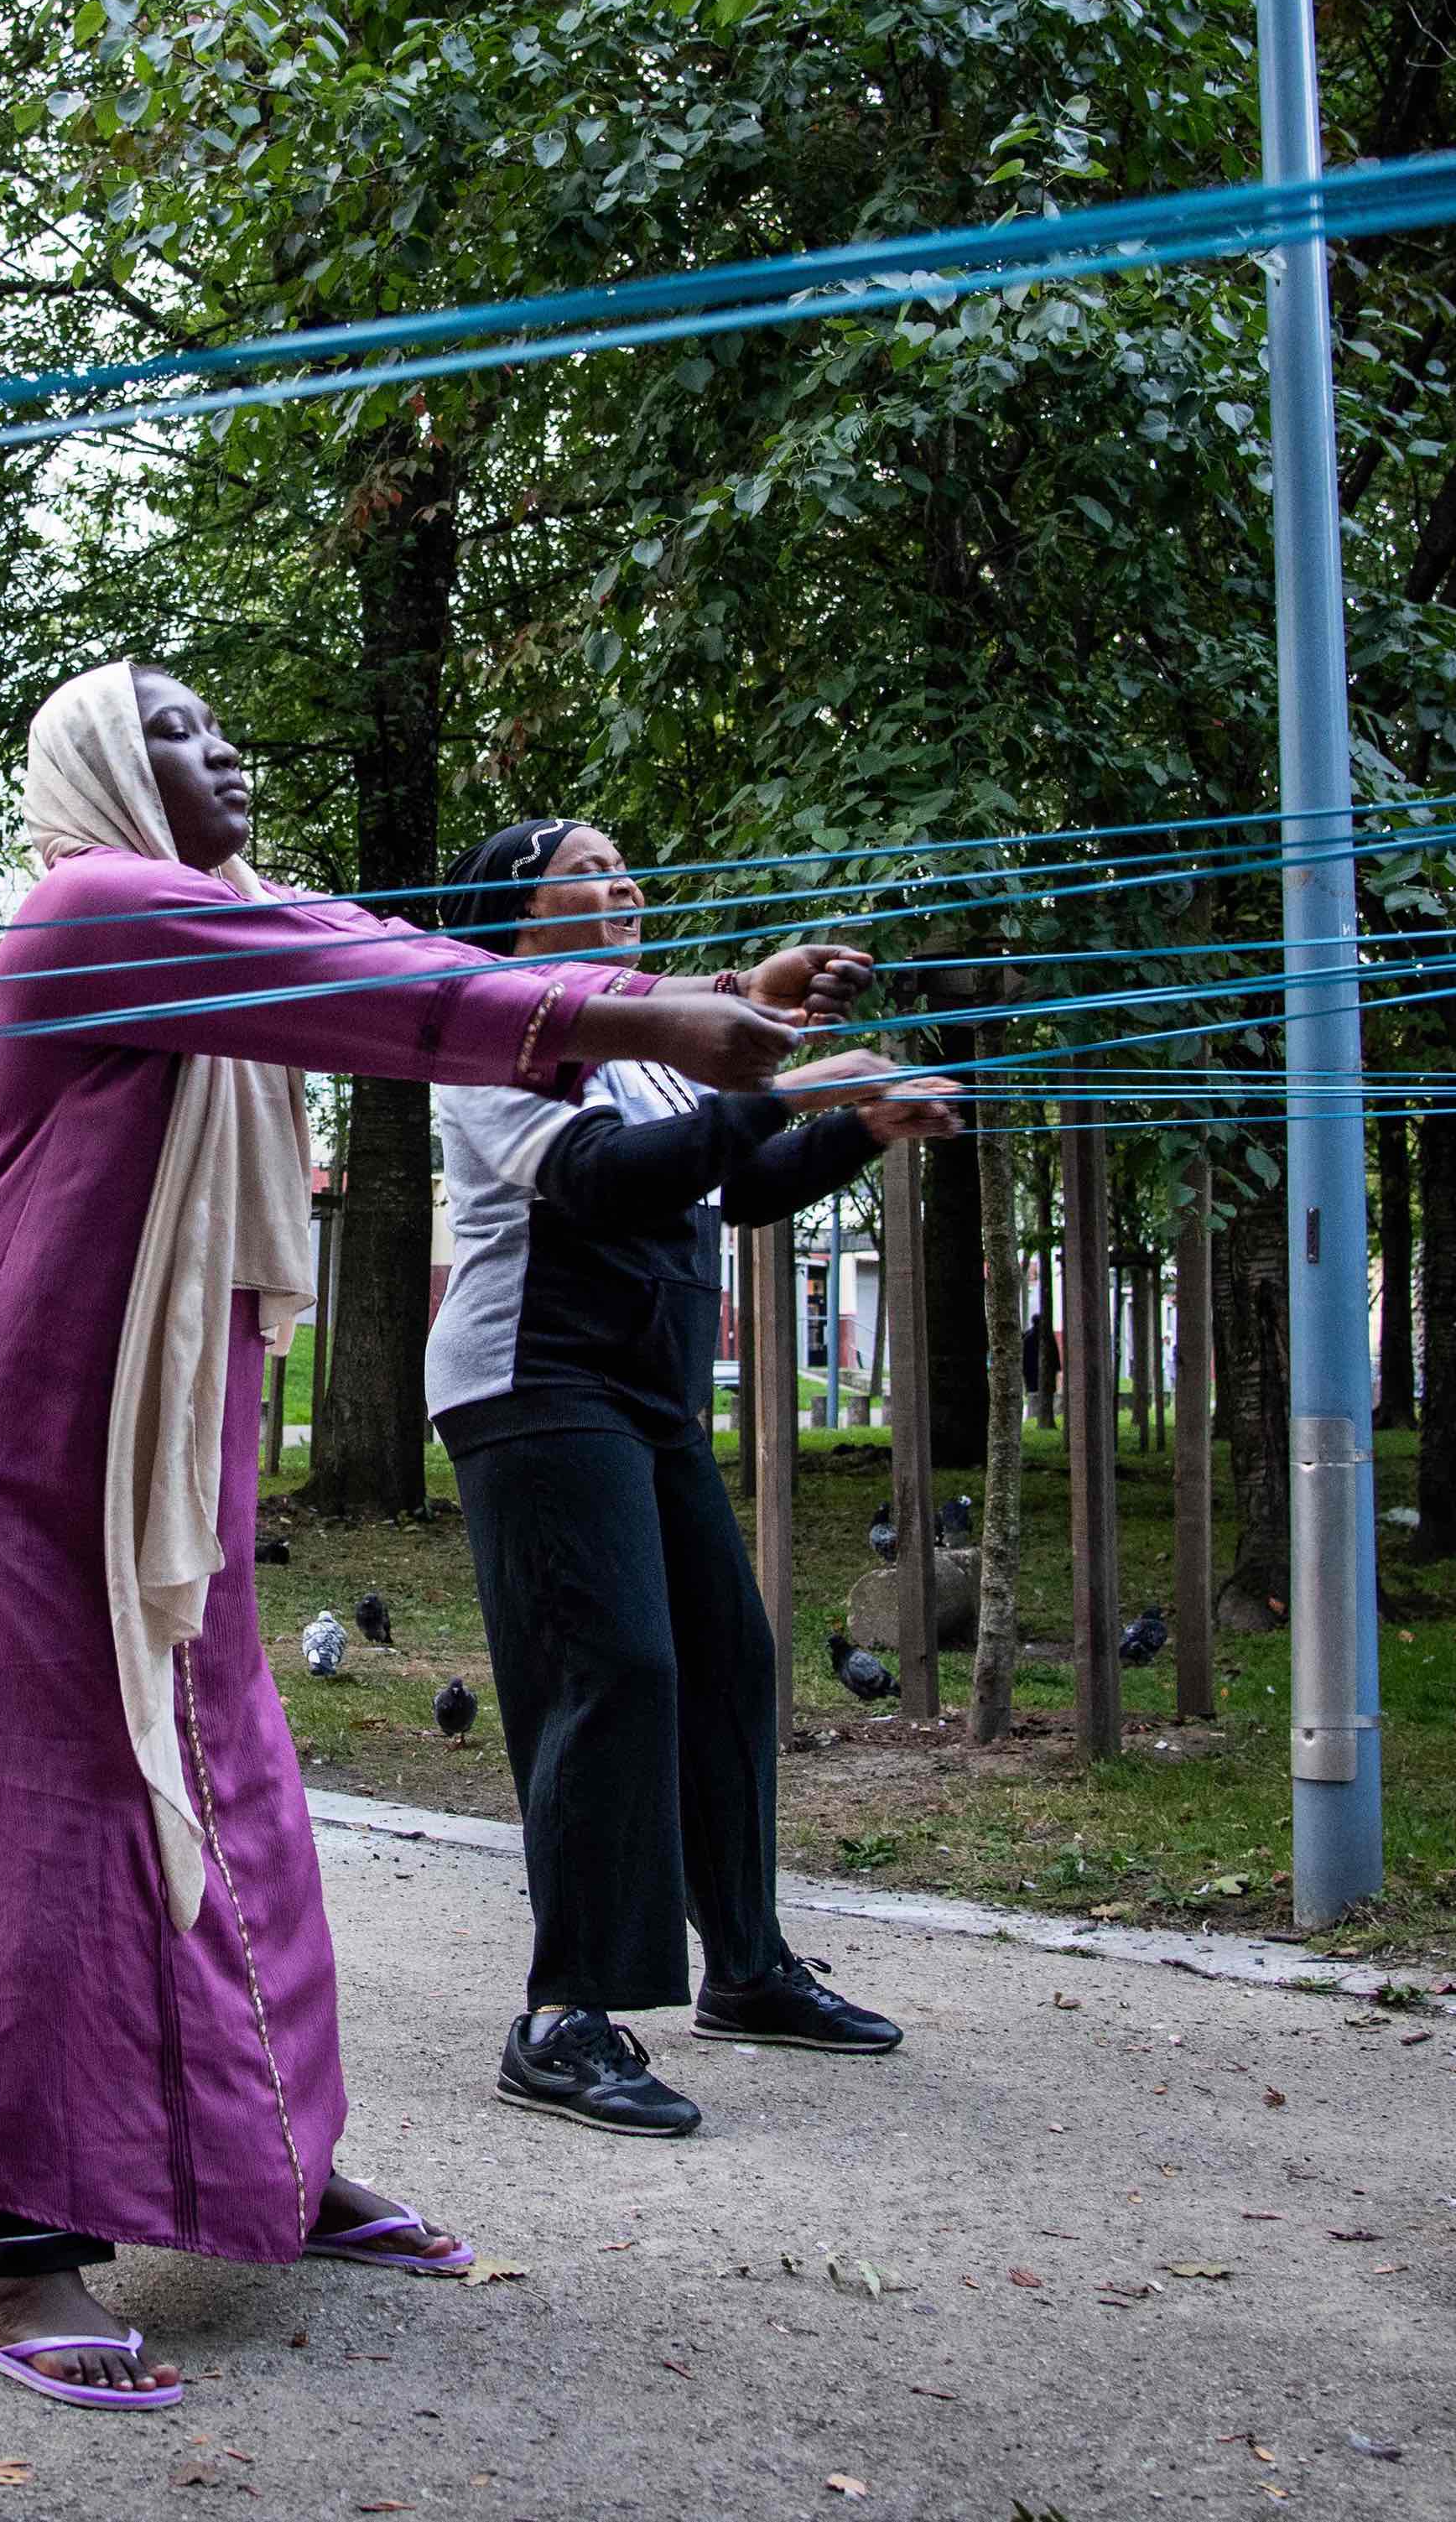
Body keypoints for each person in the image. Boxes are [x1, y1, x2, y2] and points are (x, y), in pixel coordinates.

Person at [0, 662, 836, 2410]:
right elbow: (385, 985)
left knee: (236, 1801)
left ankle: (266, 2171)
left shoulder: (222, 914)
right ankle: (21, 2251)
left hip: (156, 1427)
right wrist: (661, 1021)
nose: (219, 748)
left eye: (225, 724)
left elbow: (381, 949)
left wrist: (680, 1007)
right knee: (40, 1824)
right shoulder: (92, 910)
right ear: (94, 771)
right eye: (171, 729)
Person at [419, 818, 963, 2137]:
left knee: (728, 1657)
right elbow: (604, 1182)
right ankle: (562, 2018)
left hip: (641, 1395)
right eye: (589, 870)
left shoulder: (645, 1044)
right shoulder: (503, 1039)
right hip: (531, 1384)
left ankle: (749, 1968)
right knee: (616, 1670)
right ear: (518, 908)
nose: (626, 883)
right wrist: (789, 1088)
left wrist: (856, 1128)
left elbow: (728, 1185)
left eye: (628, 863)